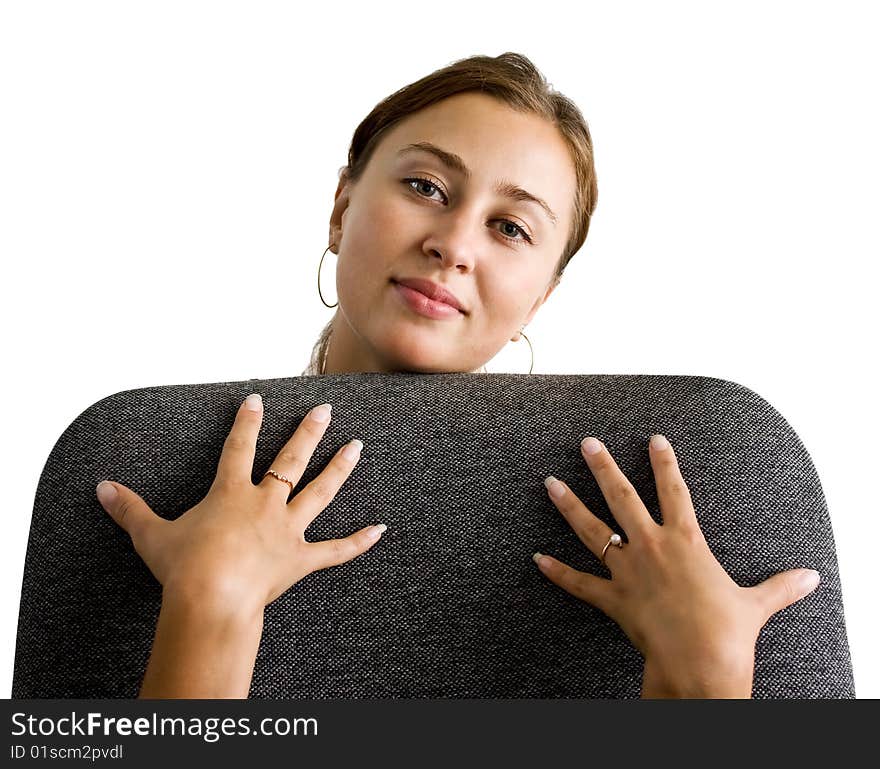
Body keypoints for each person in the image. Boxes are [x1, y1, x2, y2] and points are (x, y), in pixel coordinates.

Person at [94, 52, 821, 699]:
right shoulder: (168, 470)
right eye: (427, 186)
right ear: (341, 208)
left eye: (511, 228)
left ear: (540, 295)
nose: (454, 244)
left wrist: (707, 673)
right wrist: (210, 603)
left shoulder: (693, 495)